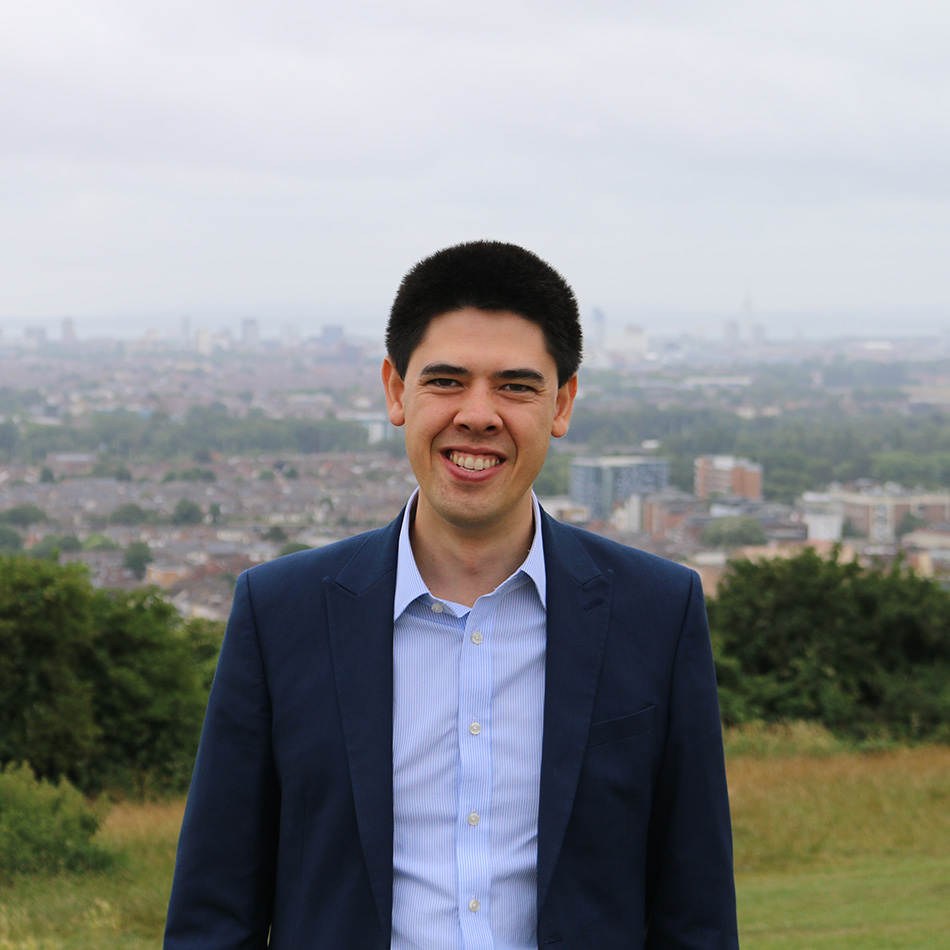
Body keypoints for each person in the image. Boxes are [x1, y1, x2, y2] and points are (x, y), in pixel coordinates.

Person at [164, 241, 739, 949]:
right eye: (446, 380)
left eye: (516, 387)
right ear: (395, 391)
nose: (478, 414)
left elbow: (697, 915)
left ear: (562, 403)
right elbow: (214, 913)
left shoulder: (658, 612)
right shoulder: (280, 614)